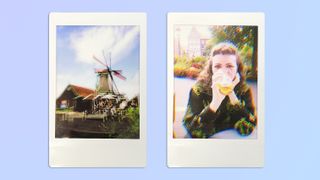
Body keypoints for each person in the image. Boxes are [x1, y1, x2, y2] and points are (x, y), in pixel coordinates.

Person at [183, 42, 257, 138]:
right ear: (211, 69)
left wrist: (233, 97)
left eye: (229, 66)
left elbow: (247, 129)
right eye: (217, 66)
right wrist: (215, 103)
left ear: (237, 68)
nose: (223, 71)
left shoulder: (243, 90)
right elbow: (194, 132)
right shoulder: (199, 90)